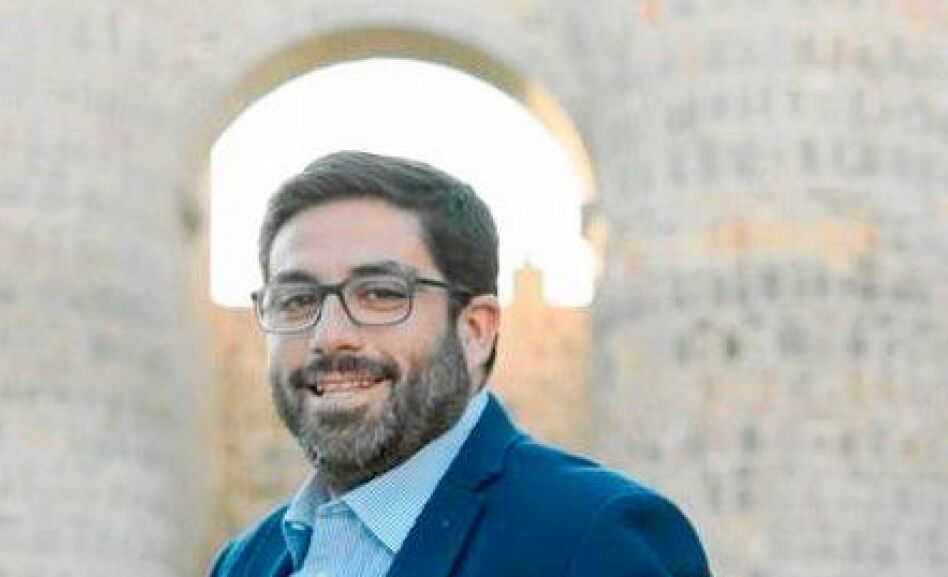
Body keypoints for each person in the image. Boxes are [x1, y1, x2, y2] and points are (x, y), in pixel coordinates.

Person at [208, 151, 711, 577]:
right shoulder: (244, 563)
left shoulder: (594, 538)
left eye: (380, 294)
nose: (329, 336)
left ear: (475, 330)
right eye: (296, 300)